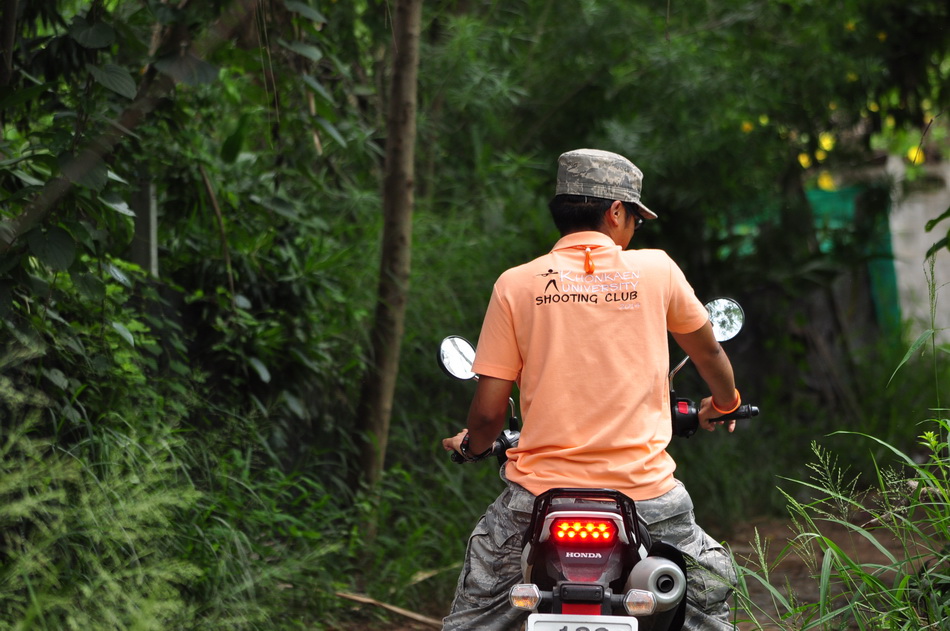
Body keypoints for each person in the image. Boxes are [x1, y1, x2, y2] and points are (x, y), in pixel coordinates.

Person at [441, 148, 741, 631]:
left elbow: (489, 412)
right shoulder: (658, 270)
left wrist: (473, 446)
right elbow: (709, 354)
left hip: (538, 500)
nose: (633, 230)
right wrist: (725, 403)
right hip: (647, 498)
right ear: (616, 211)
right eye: (635, 220)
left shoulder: (516, 284)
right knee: (709, 599)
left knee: (476, 614)